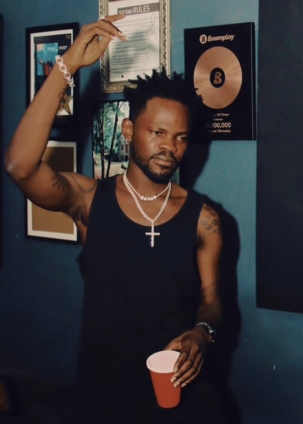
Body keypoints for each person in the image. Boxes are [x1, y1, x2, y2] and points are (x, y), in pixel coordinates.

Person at [5, 16, 225, 422]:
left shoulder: (204, 219)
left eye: (180, 137)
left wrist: (202, 333)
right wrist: (68, 65)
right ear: (127, 130)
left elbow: (211, 301)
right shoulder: (90, 201)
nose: (170, 147)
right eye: (157, 132)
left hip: (179, 393)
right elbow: (20, 166)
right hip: (103, 398)